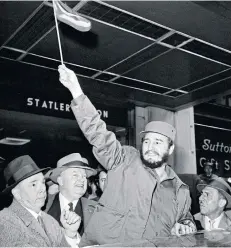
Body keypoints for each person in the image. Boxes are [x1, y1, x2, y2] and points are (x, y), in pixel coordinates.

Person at [58, 65, 196, 246]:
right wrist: (76, 90)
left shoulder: (180, 190)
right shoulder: (124, 160)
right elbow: (98, 134)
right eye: (146, 141)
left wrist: (186, 225)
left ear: (170, 150)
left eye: (158, 142)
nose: (150, 147)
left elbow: (187, 219)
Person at [0, 155, 81, 247]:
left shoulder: (49, 220)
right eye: (34, 184)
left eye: (42, 182)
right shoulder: (4, 221)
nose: (42, 189)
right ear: (16, 193)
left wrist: (70, 233)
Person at [45, 153, 97, 236]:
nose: (82, 180)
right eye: (75, 175)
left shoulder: (96, 210)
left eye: (84, 176)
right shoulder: (43, 207)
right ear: (60, 180)